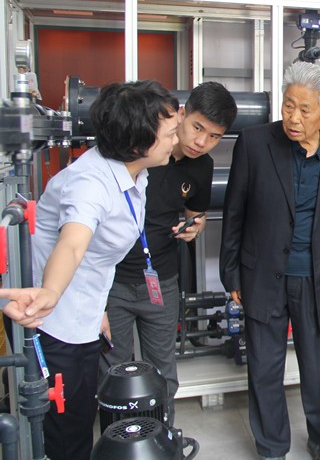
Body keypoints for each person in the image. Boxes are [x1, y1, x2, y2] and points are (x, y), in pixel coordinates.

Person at [0, 80, 180, 460]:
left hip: (84, 312)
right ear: (137, 143)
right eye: (169, 134)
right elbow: (73, 243)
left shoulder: (136, 172)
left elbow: (97, 256)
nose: (175, 141)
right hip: (55, 321)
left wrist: (98, 308)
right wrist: (50, 292)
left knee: (81, 414)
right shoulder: (90, 184)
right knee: (67, 429)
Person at [219, 62, 320, 460]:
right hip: (261, 275)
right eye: (288, 106)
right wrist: (231, 274)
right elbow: (234, 213)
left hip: (316, 280)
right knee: (264, 367)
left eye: (305, 109)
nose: (294, 118)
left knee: (317, 369)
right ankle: (272, 448)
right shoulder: (254, 143)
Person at [101, 82, 237, 423]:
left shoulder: (202, 166)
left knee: (162, 371)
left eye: (214, 137)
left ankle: (161, 438)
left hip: (160, 279)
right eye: (197, 128)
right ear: (181, 113)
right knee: (114, 372)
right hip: (112, 280)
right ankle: (121, 441)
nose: (201, 142)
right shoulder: (140, 146)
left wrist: (195, 227)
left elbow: (195, 214)